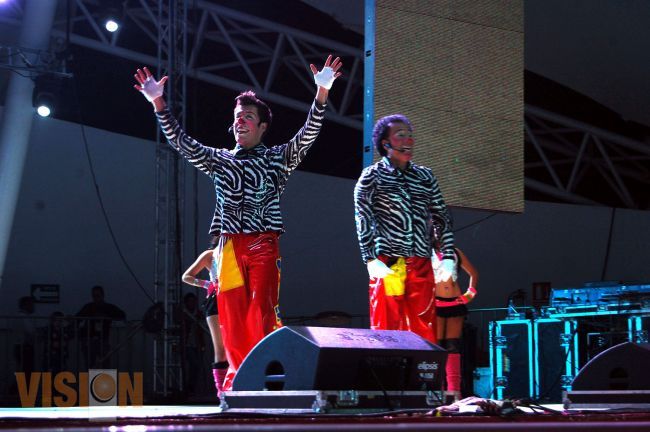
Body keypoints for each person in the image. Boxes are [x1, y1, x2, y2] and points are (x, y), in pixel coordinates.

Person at [134, 55, 342, 391]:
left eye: (248, 116)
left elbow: (308, 135)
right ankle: (238, 383)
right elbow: (181, 143)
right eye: (237, 117)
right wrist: (158, 102)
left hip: (262, 245)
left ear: (262, 126)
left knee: (261, 313)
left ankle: (269, 380)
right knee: (230, 320)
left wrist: (321, 94)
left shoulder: (277, 159)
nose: (241, 121)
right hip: (228, 249)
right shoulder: (221, 160)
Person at [354, 114, 456, 343]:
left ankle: (423, 378)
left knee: (425, 328)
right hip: (388, 263)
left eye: (410, 136)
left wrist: (448, 255)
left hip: (420, 263)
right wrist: (369, 258)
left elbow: (441, 217)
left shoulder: (425, 176)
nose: (409, 141)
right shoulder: (371, 176)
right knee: (386, 328)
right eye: (401, 136)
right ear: (385, 143)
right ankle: (386, 377)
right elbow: (363, 218)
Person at [433, 247, 478, 401]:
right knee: (437, 347)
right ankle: (438, 392)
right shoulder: (424, 251)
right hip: (435, 304)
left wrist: (469, 295)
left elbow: (473, 273)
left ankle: (454, 392)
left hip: (454, 304)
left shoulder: (455, 252)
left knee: (453, 347)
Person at [181, 250, 227, 398]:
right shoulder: (211, 255)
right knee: (220, 349)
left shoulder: (240, 250)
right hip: (217, 301)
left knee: (236, 346)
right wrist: (207, 284)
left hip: (236, 300)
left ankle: (238, 386)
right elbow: (186, 276)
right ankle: (222, 392)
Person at [75, 285, 126, 369]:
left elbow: (122, 315)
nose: (96, 298)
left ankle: (104, 381)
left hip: (103, 340)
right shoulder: (89, 307)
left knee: (105, 363)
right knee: (90, 364)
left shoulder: (108, 308)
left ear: (102, 295)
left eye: (97, 295)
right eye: (94, 296)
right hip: (89, 340)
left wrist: (106, 316)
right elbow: (78, 318)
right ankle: (91, 381)